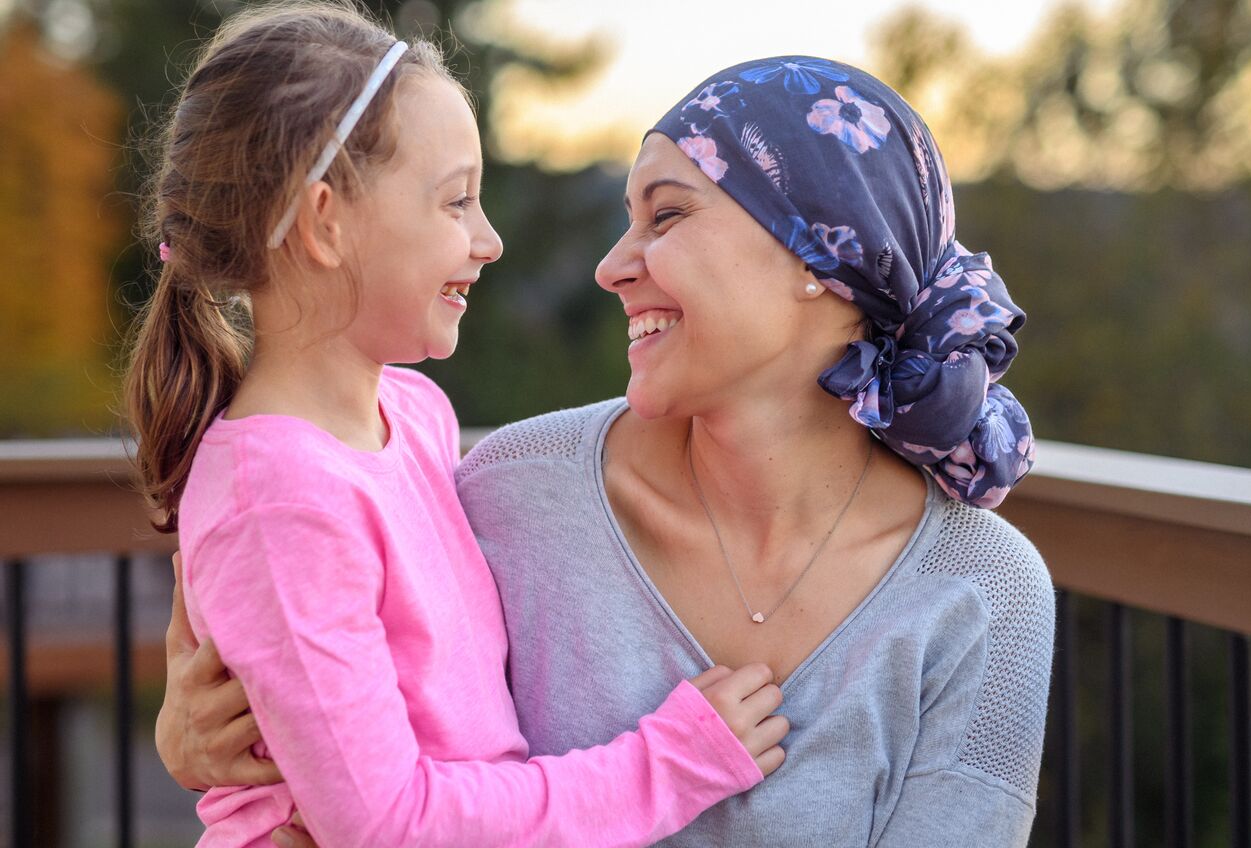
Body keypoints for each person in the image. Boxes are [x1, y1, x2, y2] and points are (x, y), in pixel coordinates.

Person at [159, 54, 1055, 847]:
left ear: (819, 257)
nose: (611, 264)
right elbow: (295, 601)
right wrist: (198, 732)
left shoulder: (986, 598)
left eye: (666, 216)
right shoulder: (510, 492)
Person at [125, 5, 786, 846]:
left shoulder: (412, 413)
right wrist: (670, 764)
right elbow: (388, 825)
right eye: (455, 203)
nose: (490, 240)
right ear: (326, 220)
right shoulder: (281, 499)